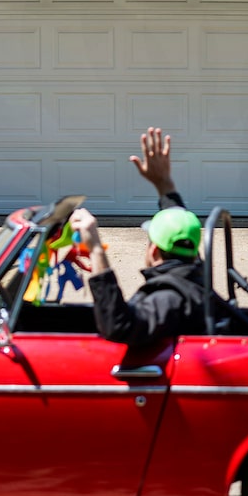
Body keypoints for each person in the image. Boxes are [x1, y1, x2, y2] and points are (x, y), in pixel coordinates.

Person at [69, 127, 205, 346]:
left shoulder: (170, 298)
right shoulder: (196, 276)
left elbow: (119, 326)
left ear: (153, 251)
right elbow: (180, 224)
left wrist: (95, 248)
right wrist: (164, 183)